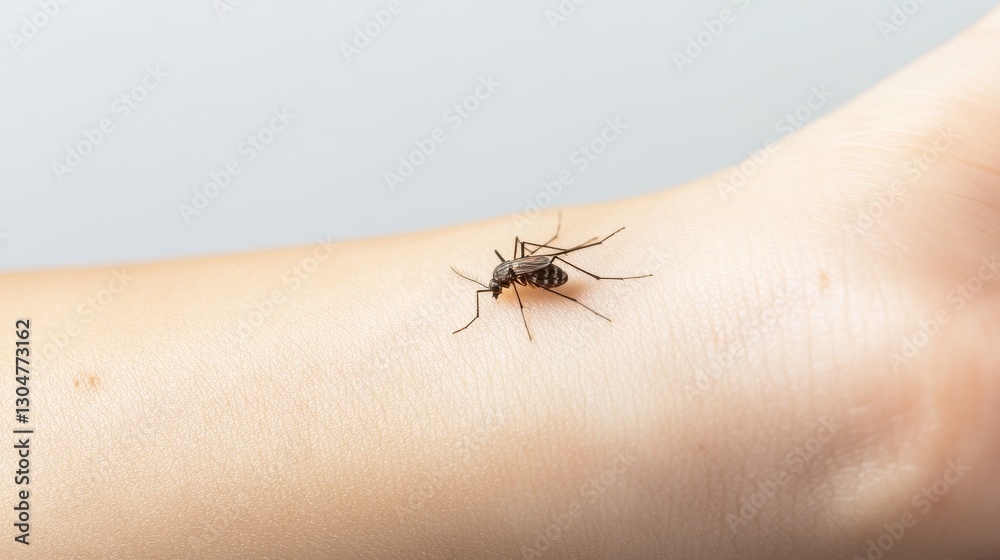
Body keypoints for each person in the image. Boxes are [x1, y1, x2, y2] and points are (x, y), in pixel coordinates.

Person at [3, 7, 999, 559]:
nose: (512, 282)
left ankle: (618, 266)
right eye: (510, 286)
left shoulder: (525, 276)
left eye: (508, 283)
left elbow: (547, 258)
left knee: (583, 257)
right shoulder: (514, 288)